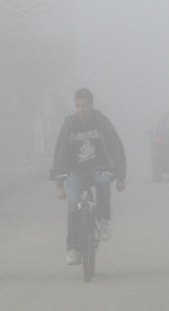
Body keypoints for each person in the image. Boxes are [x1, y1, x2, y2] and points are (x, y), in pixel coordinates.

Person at [51, 88, 126, 265]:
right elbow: (60, 152)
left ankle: (104, 220)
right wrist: (59, 184)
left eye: (84, 106)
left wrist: (121, 177)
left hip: (100, 167)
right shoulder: (69, 124)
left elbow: (116, 147)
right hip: (75, 171)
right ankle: (73, 249)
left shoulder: (101, 122)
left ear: (91, 105)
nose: (81, 109)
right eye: (77, 106)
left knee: (102, 181)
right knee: (73, 205)